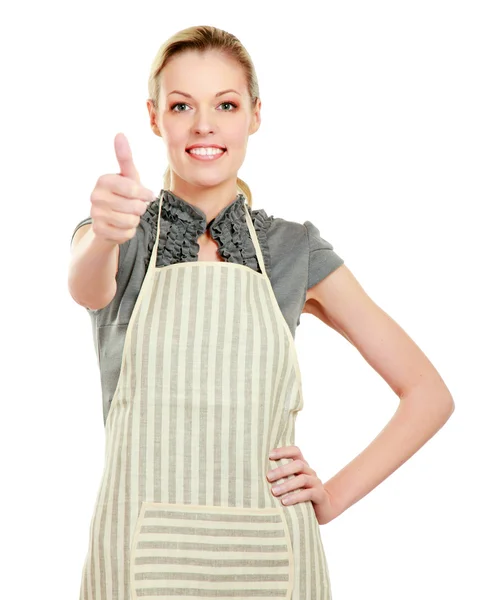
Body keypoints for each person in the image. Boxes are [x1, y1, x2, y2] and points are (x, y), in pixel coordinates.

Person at [68, 24, 454, 600]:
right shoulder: (116, 232)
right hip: (137, 558)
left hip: (271, 559)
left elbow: (429, 395)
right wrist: (103, 235)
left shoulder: (295, 250)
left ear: (253, 115)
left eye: (225, 104)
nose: (204, 124)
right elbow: (85, 287)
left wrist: (333, 495)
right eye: (181, 106)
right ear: (155, 118)